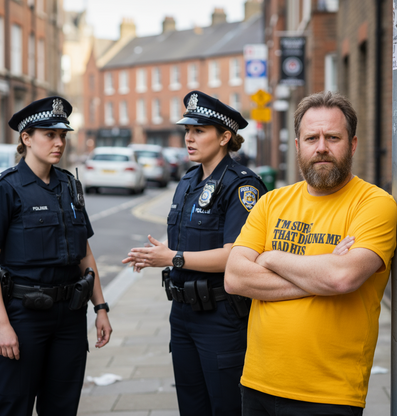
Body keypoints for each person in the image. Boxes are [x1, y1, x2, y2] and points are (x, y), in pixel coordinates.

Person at [225, 91, 397, 415]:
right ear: (298, 144)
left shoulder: (375, 204)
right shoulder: (271, 202)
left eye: (333, 137)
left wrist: (270, 258)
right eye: (311, 137)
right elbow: (234, 278)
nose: (321, 147)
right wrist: (321, 272)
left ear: (353, 144)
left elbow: (342, 277)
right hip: (257, 383)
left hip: (330, 394)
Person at [122, 91, 267, 416]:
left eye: (199, 131)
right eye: (187, 130)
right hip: (183, 314)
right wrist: (156, 255)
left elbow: (237, 256)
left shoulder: (242, 186)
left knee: (226, 407)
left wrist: (172, 257)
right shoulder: (187, 181)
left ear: (225, 136)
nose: (188, 137)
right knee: (191, 406)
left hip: (221, 316)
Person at [0, 96, 112, 416]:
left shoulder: (69, 185)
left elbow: (85, 252)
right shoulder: (4, 189)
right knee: (13, 407)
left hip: (69, 317)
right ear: (26, 138)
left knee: (62, 407)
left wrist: (101, 307)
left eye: (63, 135)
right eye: (49, 135)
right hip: (23, 317)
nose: (59, 142)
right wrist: (2, 325)